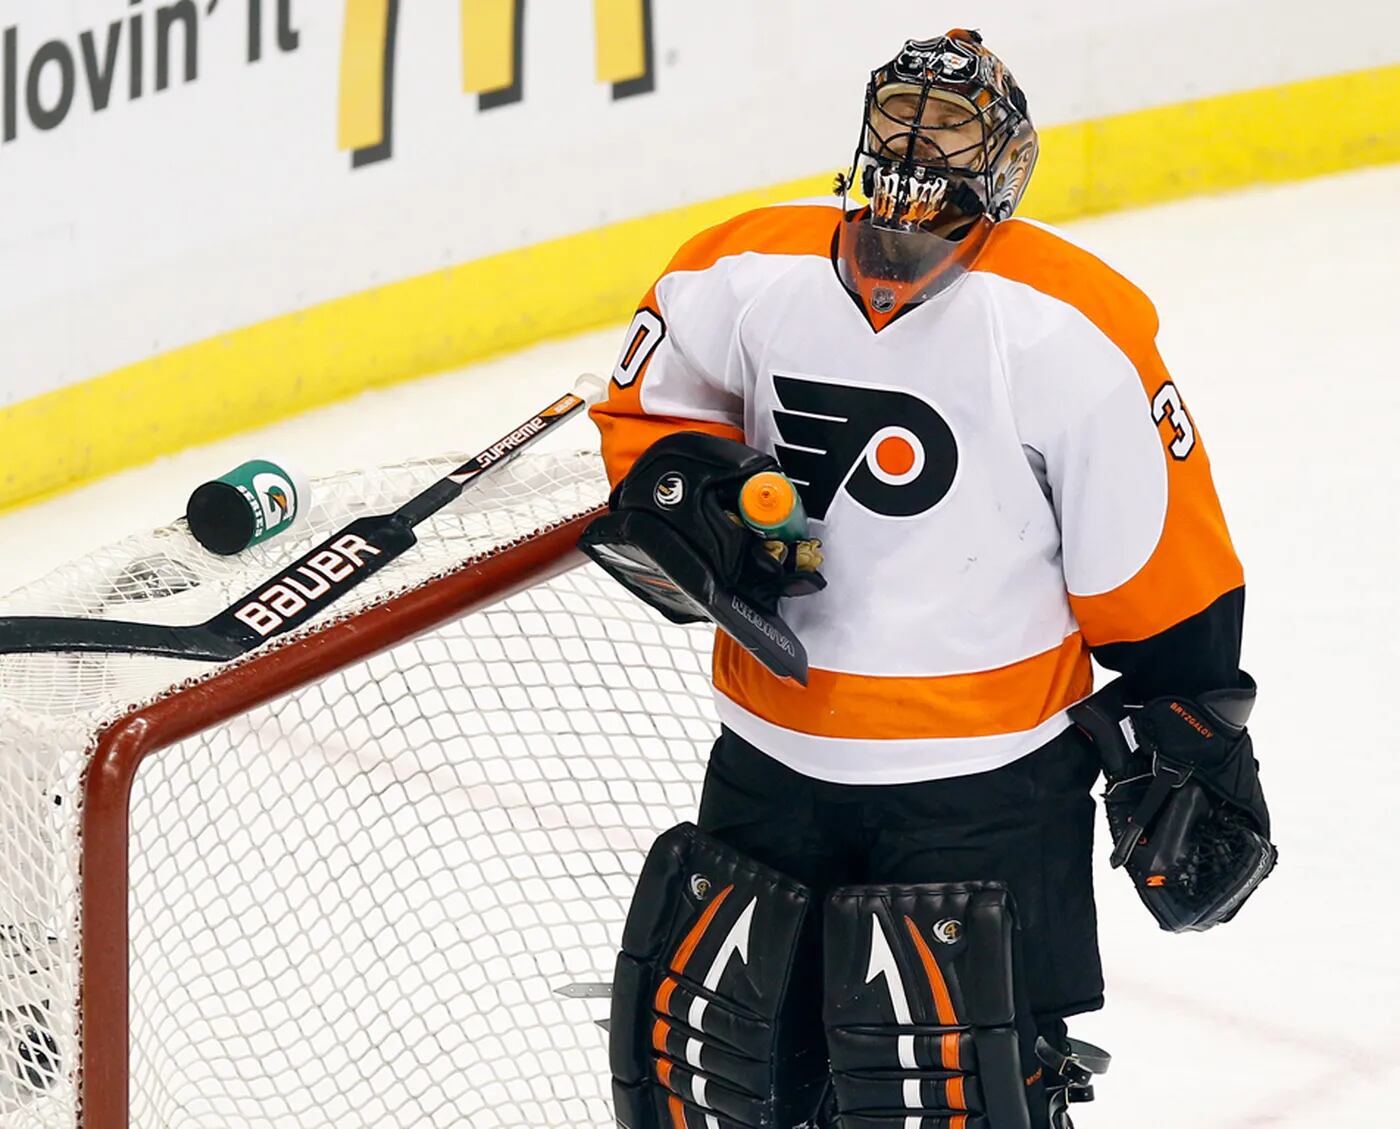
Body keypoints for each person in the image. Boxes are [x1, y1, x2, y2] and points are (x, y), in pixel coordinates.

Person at [583, 29, 1274, 1129]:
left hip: (984, 789)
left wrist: (1185, 718)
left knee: (966, 1095)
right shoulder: (739, 268)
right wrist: (682, 486)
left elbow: (1153, 556)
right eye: (902, 113)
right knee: (721, 1084)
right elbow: (649, 409)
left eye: (950, 123)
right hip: (771, 755)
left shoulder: (1065, 323)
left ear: (1002, 157)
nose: (918, 141)